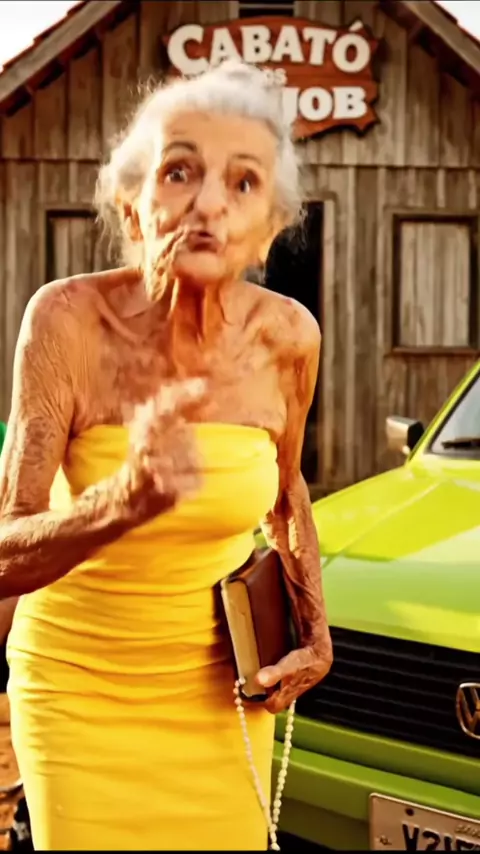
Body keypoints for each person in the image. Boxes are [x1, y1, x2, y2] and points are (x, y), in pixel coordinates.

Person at [0, 60, 332, 851]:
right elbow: (7, 550)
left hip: (222, 692)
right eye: (180, 171)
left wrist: (316, 633)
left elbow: (286, 494)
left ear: (269, 230)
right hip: (78, 689)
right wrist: (119, 503)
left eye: (243, 182)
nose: (209, 203)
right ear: (132, 203)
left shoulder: (290, 337)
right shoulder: (65, 322)